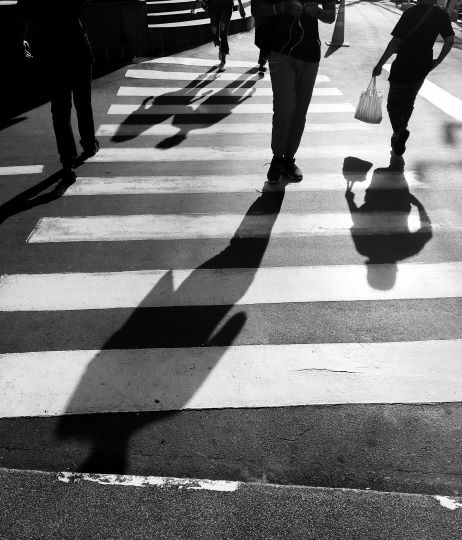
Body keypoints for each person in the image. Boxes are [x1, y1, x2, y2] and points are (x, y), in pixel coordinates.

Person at [251, 0, 336, 184]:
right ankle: (277, 157)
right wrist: (282, 7)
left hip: (310, 55)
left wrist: (318, 12)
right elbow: (257, 9)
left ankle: (289, 159)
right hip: (281, 52)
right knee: (284, 107)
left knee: (300, 111)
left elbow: (331, 16)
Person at [17, 0, 100, 182]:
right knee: (83, 102)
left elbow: (22, 12)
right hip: (77, 49)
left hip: (53, 56)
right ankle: (88, 143)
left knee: (61, 111)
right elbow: (82, 9)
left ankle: (68, 160)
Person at [372, 0, 454, 169]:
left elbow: (395, 42)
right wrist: (438, 61)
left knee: (393, 103)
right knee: (408, 101)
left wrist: (380, 64)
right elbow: (450, 40)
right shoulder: (441, 15)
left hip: (403, 63)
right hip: (423, 65)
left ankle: (400, 131)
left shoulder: (410, 13)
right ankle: (399, 136)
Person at [192, 0, 247, 72]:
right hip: (213, 5)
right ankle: (221, 46)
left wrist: (241, 6)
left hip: (227, 4)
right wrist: (196, 4)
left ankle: (223, 60)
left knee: (223, 30)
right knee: (214, 31)